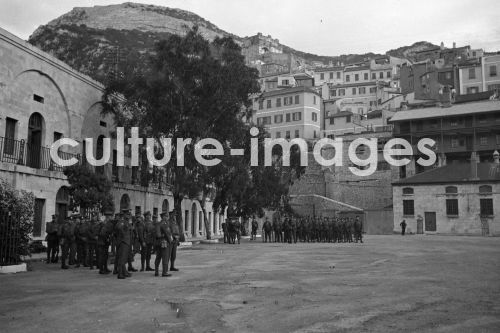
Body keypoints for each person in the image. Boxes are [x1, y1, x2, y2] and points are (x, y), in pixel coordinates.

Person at [154, 211, 173, 277]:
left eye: (167, 216)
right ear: (163, 217)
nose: (167, 217)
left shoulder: (161, 224)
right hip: (164, 243)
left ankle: (156, 272)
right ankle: (164, 272)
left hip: (160, 243)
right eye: (166, 216)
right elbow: (160, 235)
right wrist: (168, 239)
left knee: (158, 257)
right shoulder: (162, 224)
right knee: (165, 257)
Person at [115, 213, 133, 279]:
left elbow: (131, 229)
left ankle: (124, 272)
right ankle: (120, 274)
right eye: (128, 214)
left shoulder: (127, 222)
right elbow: (119, 229)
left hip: (126, 242)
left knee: (124, 258)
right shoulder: (121, 223)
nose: (129, 216)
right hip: (123, 242)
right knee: (122, 259)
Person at [97, 209, 114, 274]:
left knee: (105, 256)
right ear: (108, 217)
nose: (111, 217)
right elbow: (102, 233)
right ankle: (101, 269)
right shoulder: (104, 223)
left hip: (104, 242)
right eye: (110, 216)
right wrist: (107, 237)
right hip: (102, 242)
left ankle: (105, 268)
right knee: (102, 256)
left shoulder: (107, 223)